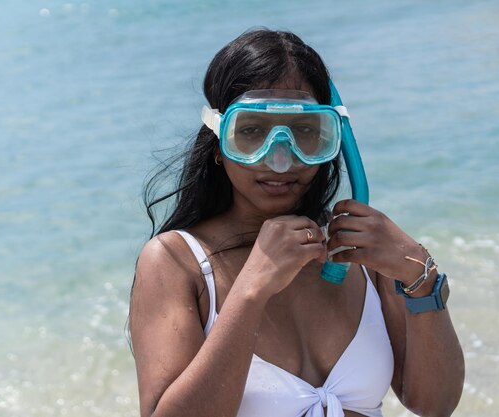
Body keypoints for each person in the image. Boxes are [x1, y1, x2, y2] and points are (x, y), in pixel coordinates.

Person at [129, 29, 464, 417]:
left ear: (332, 140)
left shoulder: (356, 250)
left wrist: (420, 275)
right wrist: (251, 290)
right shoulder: (176, 262)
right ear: (219, 141)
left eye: (305, 132)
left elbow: (434, 405)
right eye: (252, 132)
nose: (281, 160)